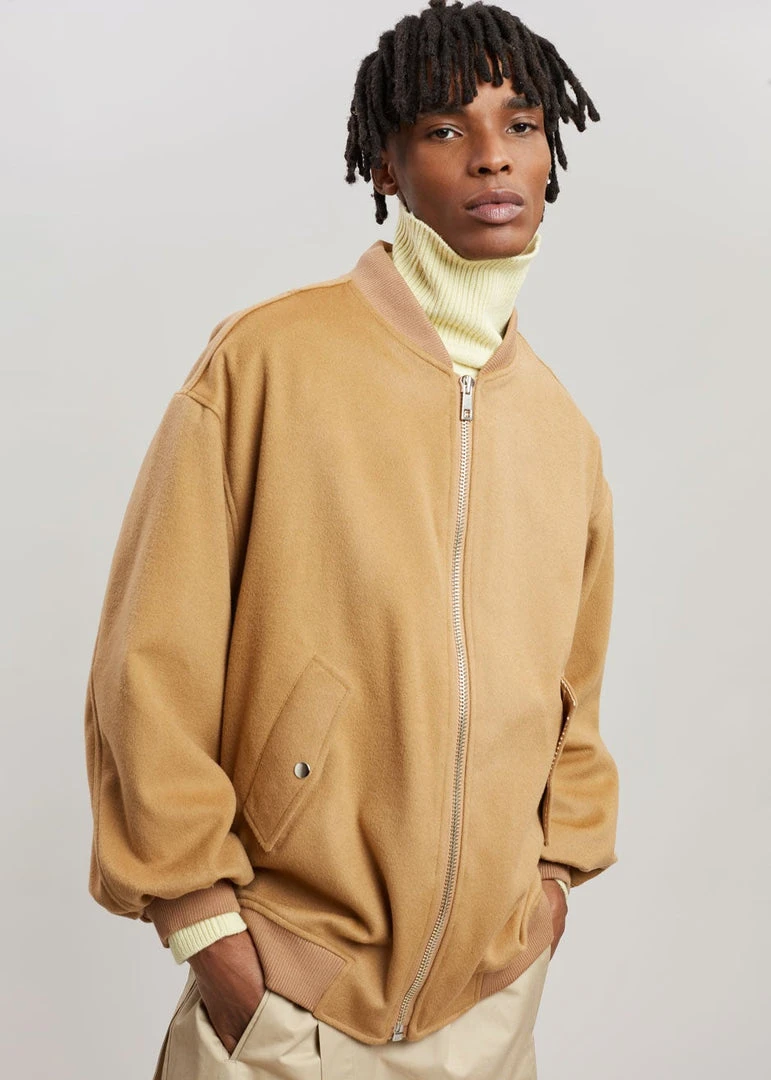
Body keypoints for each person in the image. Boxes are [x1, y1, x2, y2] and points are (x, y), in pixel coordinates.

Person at [83, 2, 619, 1077]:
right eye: (444, 128)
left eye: (519, 125)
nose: (490, 157)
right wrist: (205, 928)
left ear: (549, 152)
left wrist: (552, 886)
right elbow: (151, 663)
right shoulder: (266, 363)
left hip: (489, 1006)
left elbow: (573, 700)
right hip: (286, 994)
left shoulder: (561, 431)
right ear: (384, 162)